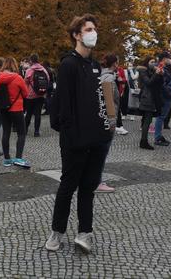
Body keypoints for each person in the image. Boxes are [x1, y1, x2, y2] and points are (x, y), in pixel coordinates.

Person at [47, 14, 114, 254]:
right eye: (88, 29)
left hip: (97, 139)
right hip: (75, 139)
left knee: (89, 188)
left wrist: (107, 129)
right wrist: (71, 136)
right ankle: (57, 232)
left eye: (94, 28)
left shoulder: (95, 66)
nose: (93, 33)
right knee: (68, 186)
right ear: (77, 34)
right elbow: (63, 106)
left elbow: (102, 101)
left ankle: (85, 233)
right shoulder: (68, 65)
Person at [0, 57, 29, 168]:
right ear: (14, 65)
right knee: (21, 133)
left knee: (6, 132)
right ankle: (18, 158)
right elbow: (26, 94)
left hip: (4, 109)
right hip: (16, 108)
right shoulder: (18, 78)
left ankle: (7, 159)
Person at [96, 54, 121, 193]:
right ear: (115, 64)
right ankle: (97, 182)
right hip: (106, 120)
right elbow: (109, 102)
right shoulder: (108, 78)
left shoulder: (101, 75)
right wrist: (112, 122)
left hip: (101, 118)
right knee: (101, 153)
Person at [137, 57, 163, 150]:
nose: (154, 63)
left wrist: (161, 75)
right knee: (147, 121)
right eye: (152, 62)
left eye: (155, 62)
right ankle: (143, 141)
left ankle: (143, 141)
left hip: (153, 99)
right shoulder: (143, 71)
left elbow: (160, 84)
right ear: (147, 63)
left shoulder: (152, 71)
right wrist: (156, 74)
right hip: (147, 98)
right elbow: (148, 83)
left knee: (147, 120)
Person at [154, 52, 171, 147]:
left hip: (166, 94)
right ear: (164, 59)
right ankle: (157, 137)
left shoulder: (165, 68)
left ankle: (158, 136)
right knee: (161, 117)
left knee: (161, 116)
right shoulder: (161, 68)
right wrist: (168, 93)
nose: (170, 60)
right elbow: (164, 83)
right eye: (169, 58)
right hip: (165, 95)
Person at [24, 54, 50, 137]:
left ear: (31, 61)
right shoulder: (43, 69)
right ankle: (36, 131)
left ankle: (25, 130)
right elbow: (48, 80)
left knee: (28, 113)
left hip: (30, 95)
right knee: (38, 114)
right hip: (41, 95)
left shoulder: (29, 70)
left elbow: (25, 82)